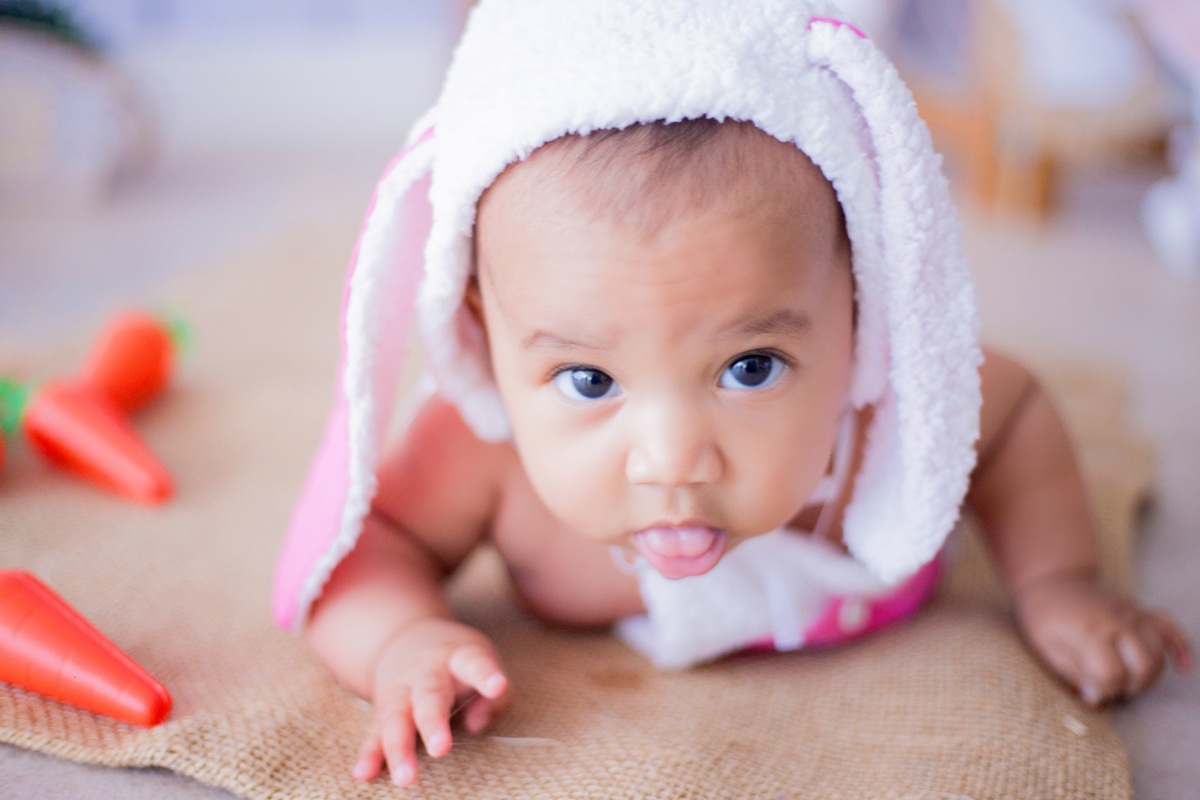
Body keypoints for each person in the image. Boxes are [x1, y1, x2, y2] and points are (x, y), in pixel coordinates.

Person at [270, 0, 1193, 787]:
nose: (674, 459)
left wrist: (1059, 580)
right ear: (483, 333)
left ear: (858, 307)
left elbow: (1019, 412)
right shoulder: (485, 453)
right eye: (590, 380)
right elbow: (360, 551)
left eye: (750, 366)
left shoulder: (902, 409)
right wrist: (401, 641)